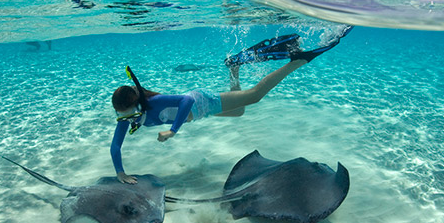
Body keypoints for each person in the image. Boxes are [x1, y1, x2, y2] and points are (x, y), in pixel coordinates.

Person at [110, 28, 352, 184]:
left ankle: (297, 61)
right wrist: (120, 172)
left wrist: (173, 130)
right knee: (239, 111)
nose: (124, 118)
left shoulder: (153, 102)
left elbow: (187, 101)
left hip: (201, 101)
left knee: (255, 95)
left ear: (136, 104)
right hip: (201, 113)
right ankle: (234, 68)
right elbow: (115, 146)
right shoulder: (129, 118)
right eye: (120, 115)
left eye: (125, 112)